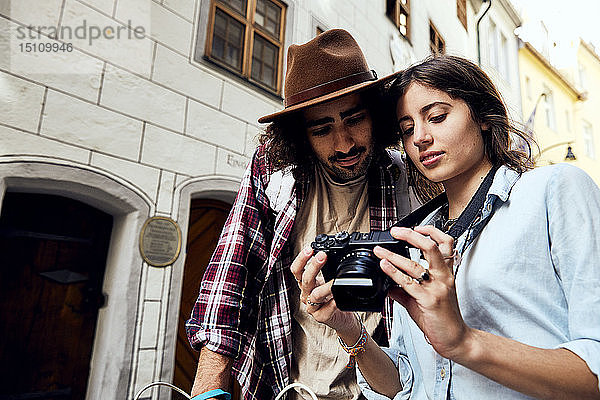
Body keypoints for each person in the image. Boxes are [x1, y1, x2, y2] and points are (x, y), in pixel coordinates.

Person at [296, 55, 600, 399]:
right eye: (407, 129)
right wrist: (350, 331)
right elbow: (403, 386)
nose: (420, 138)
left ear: (484, 116)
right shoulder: (416, 237)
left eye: (437, 117)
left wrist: (464, 342)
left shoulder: (552, 189)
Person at [185, 29, 417, 400]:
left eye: (354, 119)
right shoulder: (275, 172)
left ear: (375, 115)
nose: (344, 144)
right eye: (322, 129)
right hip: (285, 386)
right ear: (301, 136)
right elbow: (232, 269)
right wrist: (209, 388)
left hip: (383, 389)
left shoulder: (407, 176)